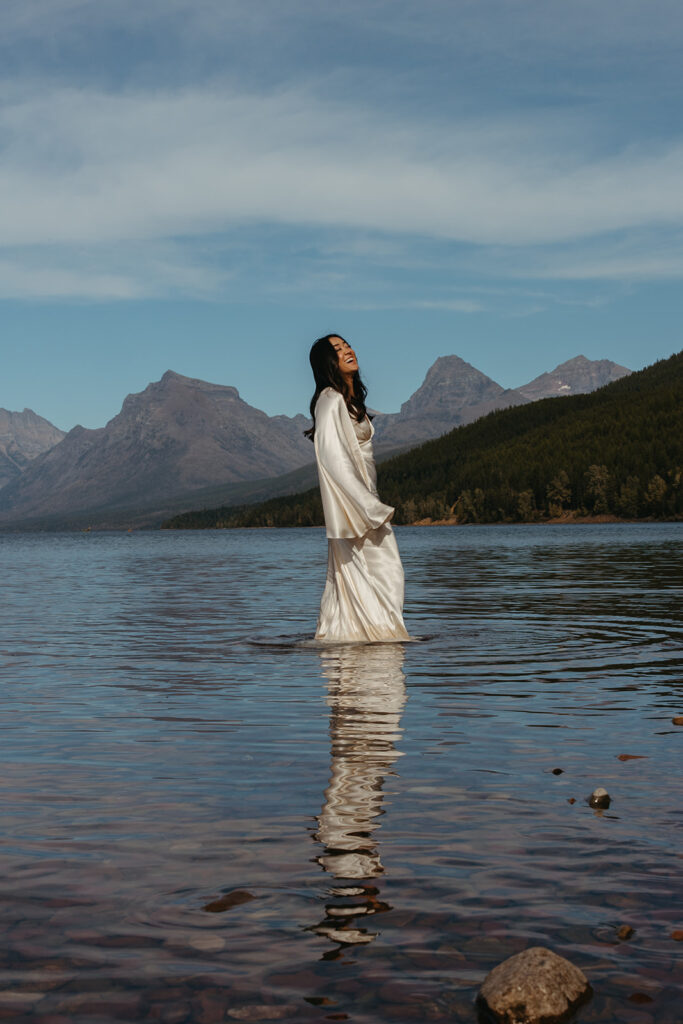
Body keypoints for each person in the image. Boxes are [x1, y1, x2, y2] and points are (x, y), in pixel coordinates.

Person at [306, 334, 409, 642]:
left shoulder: (348, 401)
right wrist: (369, 507)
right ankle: (376, 649)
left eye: (346, 345)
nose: (347, 350)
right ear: (328, 363)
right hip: (355, 510)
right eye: (337, 350)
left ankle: (359, 661)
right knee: (384, 573)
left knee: (377, 578)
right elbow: (333, 458)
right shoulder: (329, 399)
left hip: (366, 503)